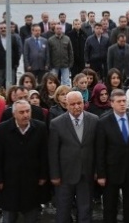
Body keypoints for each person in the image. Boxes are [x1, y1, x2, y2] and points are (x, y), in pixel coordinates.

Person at [0, 100, 49, 223]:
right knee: (9, 217)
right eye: (22, 112)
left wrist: (43, 175)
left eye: (28, 111)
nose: (26, 115)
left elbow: (44, 154)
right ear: (14, 114)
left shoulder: (40, 128)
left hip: (32, 181)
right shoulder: (1, 130)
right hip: (9, 182)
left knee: (32, 216)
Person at [48, 91, 99, 223]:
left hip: (86, 173)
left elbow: (98, 148)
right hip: (65, 175)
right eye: (73, 104)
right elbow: (53, 152)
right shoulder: (56, 123)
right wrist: (54, 175)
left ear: (84, 103)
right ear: (66, 105)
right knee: (63, 211)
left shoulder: (94, 120)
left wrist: (97, 171)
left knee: (85, 211)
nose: (77, 107)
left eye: (79, 103)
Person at [96, 89, 129, 223]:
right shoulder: (103, 122)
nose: (122, 104)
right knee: (110, 207)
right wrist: (101, 174)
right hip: (111, 172)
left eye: (124, 101)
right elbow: (100, 150)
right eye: (119, 102)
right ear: (112, 103)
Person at [0, 22, 22, 89]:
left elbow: (16, 51)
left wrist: (16, 63)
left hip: (11, 65)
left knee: (11, 85)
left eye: (5, 28)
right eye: (1, 28)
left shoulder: (13, 38)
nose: (3, 29)